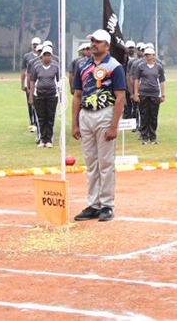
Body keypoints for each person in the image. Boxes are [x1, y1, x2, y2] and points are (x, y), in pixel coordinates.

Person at [72, 29, 126, 222]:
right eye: (92, 40)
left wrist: (114, 125)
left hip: (105, 113)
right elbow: (77, 95)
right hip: (86, 114)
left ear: (107, 45)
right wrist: (75, 123)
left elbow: (120, 98)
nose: (93, 43)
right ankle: (93, 204)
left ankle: (106, 204)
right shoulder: (83, 66)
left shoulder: (115, 67)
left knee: (105, 162)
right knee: (91, 162)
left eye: (98, 41)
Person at [28, 45, 62, 148]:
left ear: (51, 56)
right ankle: (42, 139)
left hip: (52, 95)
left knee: (50, 117)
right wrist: (31, 96)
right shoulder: (36, 67)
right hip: (39, 95)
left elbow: (59, 82)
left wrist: (60, 95)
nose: (47, 57)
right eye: (45, 55)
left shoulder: (55, 67)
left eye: (49, 55)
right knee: (41, 118)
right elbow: (32, 82)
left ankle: (49, 139)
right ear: (42, 56)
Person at [134, 46, 166, 145]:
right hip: (143, 93)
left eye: (149, 54)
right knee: (144, 115)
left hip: (155, 94)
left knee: (153, 115)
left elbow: (161, 81)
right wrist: (136, 94)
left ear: (153, 56)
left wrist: (163, 94)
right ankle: (144, 136)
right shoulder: (141, 66)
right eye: (146, 55)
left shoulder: (158, 67)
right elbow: (136, 80)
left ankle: (153, 136)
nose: (148, 56)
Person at [20, 37, 41, 133]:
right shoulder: (27, 56)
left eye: (37, 44)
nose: (35, 46)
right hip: (30, 82)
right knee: (30, 102)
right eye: (34, 44)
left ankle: (38, 122)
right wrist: (23, 84)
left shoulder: (43, 55)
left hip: (40, 83)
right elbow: (24, 71)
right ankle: (32, 121)